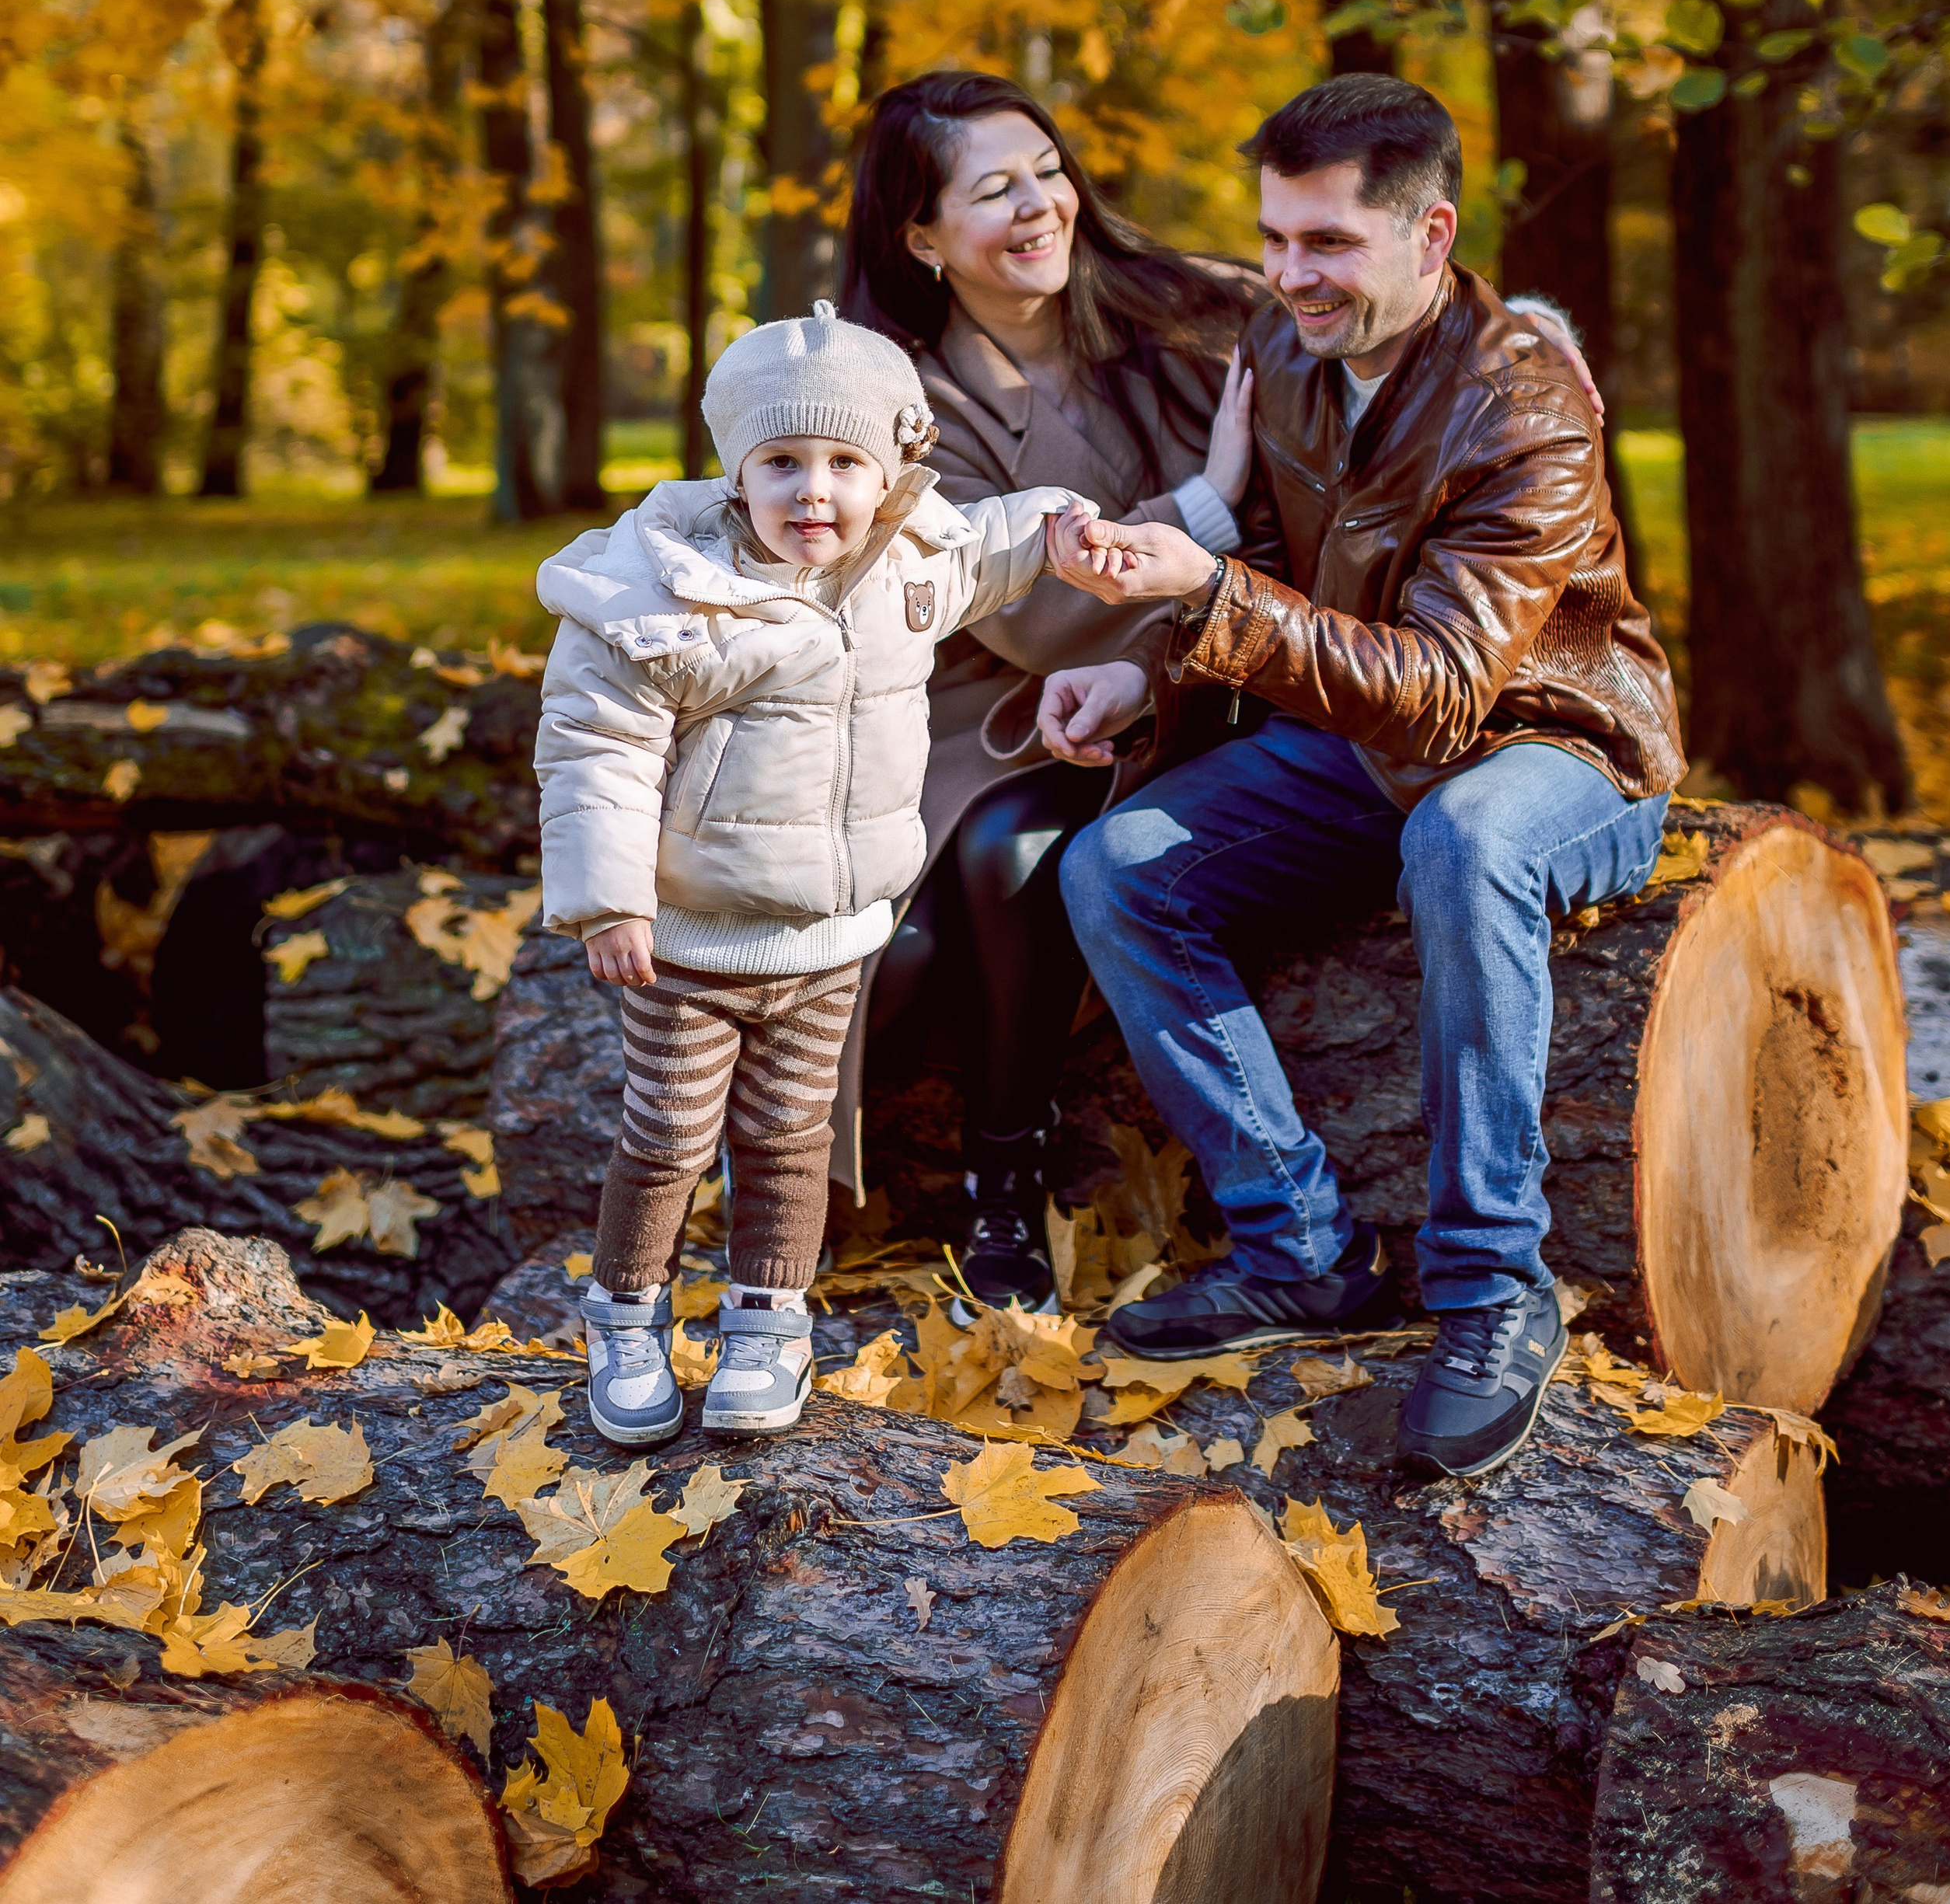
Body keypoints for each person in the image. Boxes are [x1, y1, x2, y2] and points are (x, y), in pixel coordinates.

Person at [1038, 73, 1684, 1481]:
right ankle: (1300, 1251)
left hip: (1551, 743)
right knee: (1115, 867)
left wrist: (1207, 592)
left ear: (1430, 234)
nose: (1289, 274)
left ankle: (1493, 1288)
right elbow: (1280, 564)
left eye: (1327, 242)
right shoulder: (1289, 348)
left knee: (1468, 840)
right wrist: (1148, 674)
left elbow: (1446, 690)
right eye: (1275, 239)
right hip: (1364, 743)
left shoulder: (1525, 410)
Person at [532, 299, 1085, 1448]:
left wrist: (1074, 530)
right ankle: (625, 1317)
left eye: (845, 463)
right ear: (737, 470)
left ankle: (766, 1322)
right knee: (669, 1138)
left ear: (891, 473)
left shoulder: (906, 567)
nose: (814, 493)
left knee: (790, 1140)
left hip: (830, 943)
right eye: (781, 462)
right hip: (690, 942)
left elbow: (995, 544)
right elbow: (597, 750)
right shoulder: (668, 593)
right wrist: (610, 902)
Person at [837, 71, 1259, 1307]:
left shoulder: (1176, 306)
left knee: (1009, 853)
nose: (1039, 206)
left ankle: (1003, 1183)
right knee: (899, 961)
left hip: (1187, 676)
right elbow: (1024, 609)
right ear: (923, 237)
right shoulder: (908, 400)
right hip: (992, 712)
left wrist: (1524, 329)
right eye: (994, 191)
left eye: (1047, 171)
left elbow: (1368, 293)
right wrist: (1208, 503)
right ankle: (749, 1179)